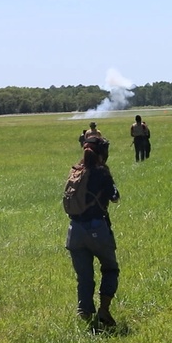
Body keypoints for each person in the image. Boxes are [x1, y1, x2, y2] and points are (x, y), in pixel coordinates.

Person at [64, 136, 120, 328]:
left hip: (74, 231)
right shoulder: (101, 172)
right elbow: (115, 196)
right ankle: (104, 310)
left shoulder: (76, 171)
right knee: (110, 268)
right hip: (97, 228)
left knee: (84, 277)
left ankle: (86, 315)